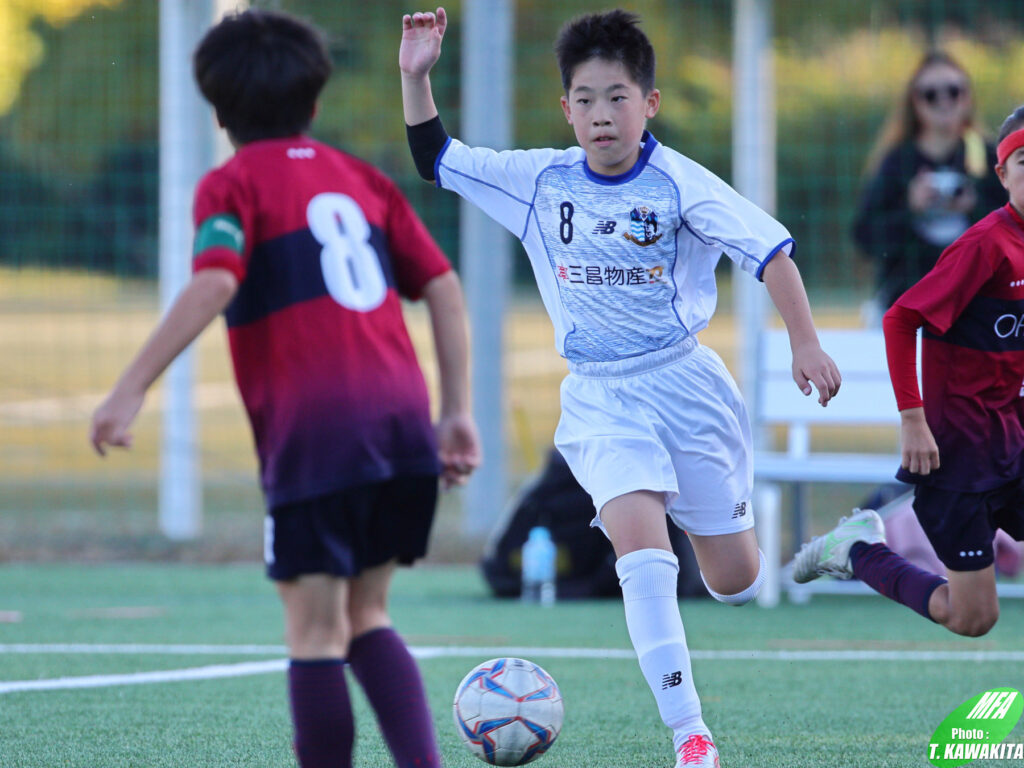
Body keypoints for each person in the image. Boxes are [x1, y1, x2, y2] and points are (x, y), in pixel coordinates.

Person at [400, 8, 840, 767]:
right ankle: (690, 734)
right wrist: (416, 75)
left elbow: (772, 254)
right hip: (601, 399)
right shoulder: (541, 182)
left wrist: (805, 341)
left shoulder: (680, 183)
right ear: (566, 108)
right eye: (586, 99)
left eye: (617, 97)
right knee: (641, 555)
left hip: (687, 392)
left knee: (735, 580)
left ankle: (706, 521)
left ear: (650, 103)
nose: (601, 114)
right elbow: (435, 156)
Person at [89, 9, 481, 768]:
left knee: (315, 633)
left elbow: (215, 280)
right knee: (369, 616)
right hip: (402, 425)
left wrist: (130, 388)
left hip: (315, 435)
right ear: (315, 100)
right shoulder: (364, 180)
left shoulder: (231, 184)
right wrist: (457, 411)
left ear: (217, 109)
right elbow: (441, 283)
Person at [794, 106, 1024, 639]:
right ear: (1002, 174)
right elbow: (901, 319)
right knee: (972, 617)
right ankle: (858, 550)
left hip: (1011, 442)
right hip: (961, 455)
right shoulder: (986, 246)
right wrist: (913, 420)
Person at [853, 51, 1005, 323]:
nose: (944, 101)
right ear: (915, 102)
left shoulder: (992, 158)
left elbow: (1016, 231)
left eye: (954, 91)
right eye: (931, 94)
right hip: (908, 300)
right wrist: (911, 208)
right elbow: (864, 237)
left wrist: (975, 209)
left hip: (982, 301)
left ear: (967, 97)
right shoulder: (897, 162)